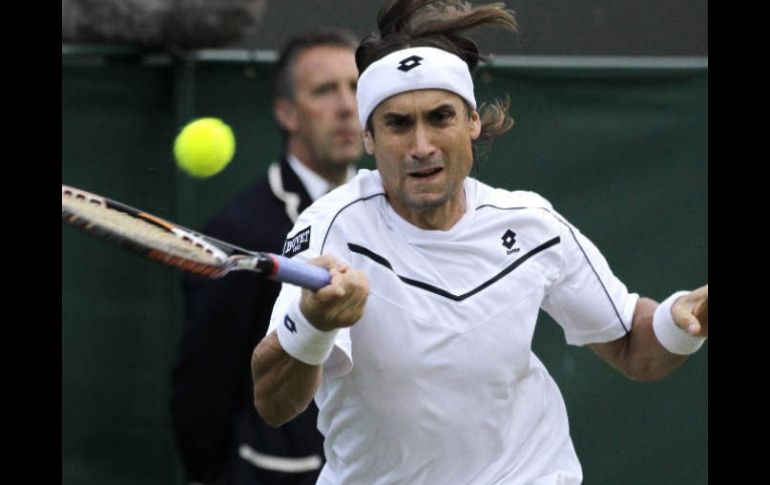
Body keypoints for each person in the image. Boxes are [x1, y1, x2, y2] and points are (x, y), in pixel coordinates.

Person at [250, 1, 708, 483]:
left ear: (471, 122)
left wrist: (683, 322)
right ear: (369, 138)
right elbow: (275, 404)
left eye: (440, 117)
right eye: (398, 124)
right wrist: (314, 323)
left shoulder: (531, 223)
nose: (422, 145)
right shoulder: (330, 227)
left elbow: (633, 346)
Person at [170, 30, 363, 485]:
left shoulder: (392, 213)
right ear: (287, 113)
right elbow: (205, 385)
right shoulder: (240, 231)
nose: (346, 106)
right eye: (324, 90)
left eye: (355, 88)